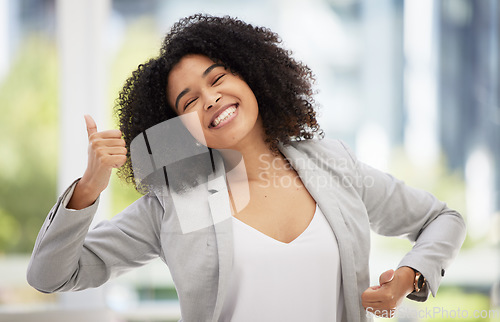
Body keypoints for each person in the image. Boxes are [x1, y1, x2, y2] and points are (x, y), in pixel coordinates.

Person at [27, 14, 466, 322]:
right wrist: (88, 188)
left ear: (253, 76)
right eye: (189, 101)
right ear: (179, 130)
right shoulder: (179, 202)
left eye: (217, 79)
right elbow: (51, 276)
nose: (210, 99)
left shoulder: (332, 163)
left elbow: (441, 219)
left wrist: (406, 280)